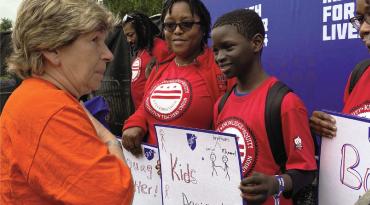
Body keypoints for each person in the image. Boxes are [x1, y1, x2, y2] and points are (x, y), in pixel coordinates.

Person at [0, 0, 134, 204]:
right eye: (94, 40)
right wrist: (109, 141)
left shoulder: (36, 96)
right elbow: (115, 195)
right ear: (52, 49)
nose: (108, 54)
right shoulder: (49, 109)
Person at [211, 9, 317, 205]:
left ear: (256, 43)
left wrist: (275, 184)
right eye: (216, 50)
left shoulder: (285, 103)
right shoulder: (220, 105)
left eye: (228, 47)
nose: (219, 57)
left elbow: (306, 171)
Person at [122, 0, 229, 155]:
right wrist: (135, 123)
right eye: (170, 25)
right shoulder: (159, 68)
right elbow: (144, 107)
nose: (177, 31)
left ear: (203, 28)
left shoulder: (220, 67)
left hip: (198, 170)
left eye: (186, 24)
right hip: (155, 171)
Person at [122, 12, 171, 109]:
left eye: (131, 35)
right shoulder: (141, 49)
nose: (128, 40)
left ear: (142, 29)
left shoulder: (161, 48)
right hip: (140, 110)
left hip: (153, 110)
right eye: (126, 36)